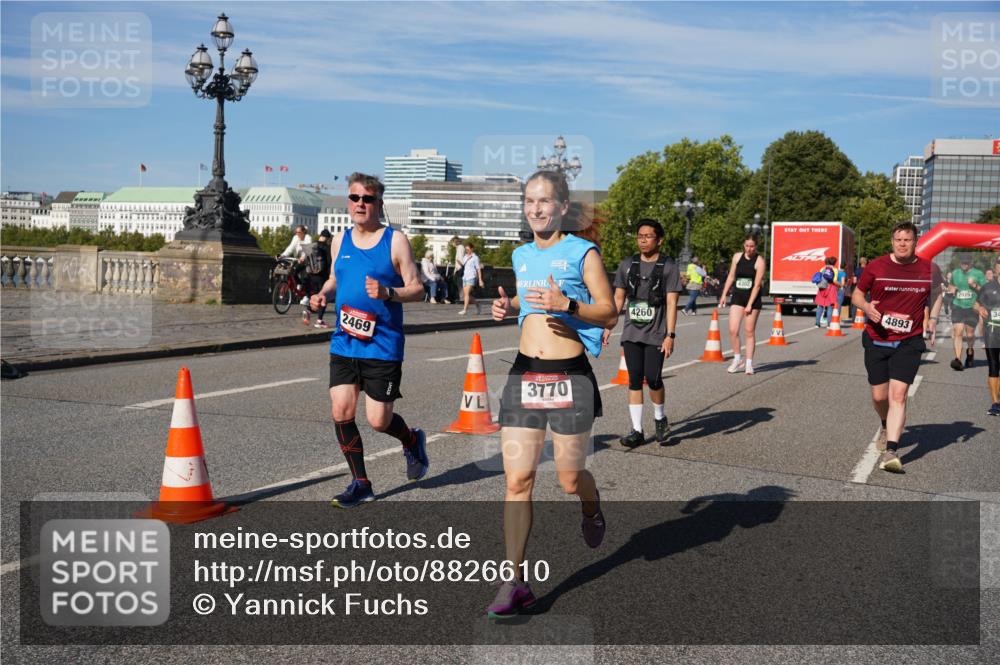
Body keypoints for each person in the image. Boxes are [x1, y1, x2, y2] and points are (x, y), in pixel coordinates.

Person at [488, 170, 617, 618]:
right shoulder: (521, 254)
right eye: (529, 201)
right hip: (525, 374)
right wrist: (510, 308)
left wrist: (570, 306)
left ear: (562, 206)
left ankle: (590, 501)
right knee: (517, 481)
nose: (536, 209)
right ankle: (514, 582)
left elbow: (609, 313)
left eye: (544, 201)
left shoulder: (583, 252)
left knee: (566, 480)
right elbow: (529, 302)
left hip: (569, 375)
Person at [310, 173, 430, 507]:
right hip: (344, 341)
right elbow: (335, 277)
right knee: (341, 411)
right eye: (354, 198)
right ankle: (361, 483)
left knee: (378, 420)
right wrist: (321, 294)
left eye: (368, 199)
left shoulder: (395, 241)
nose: (360, 204)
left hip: (383, 345)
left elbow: (418, 288)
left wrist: (389, 292)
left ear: (379, 203)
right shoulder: (339, 240)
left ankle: (411, 440)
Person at [851, 221, 942, 473]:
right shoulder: (876, 266)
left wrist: (932, 319)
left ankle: (892, 450)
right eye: (898, 239)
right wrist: (867, 308)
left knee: (898, 396)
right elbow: (857, 295)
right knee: (879, 397)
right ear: (892, 241)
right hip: (877, 339)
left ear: (916, 242)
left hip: (909, 341)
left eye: (908, 239)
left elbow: (937, 293)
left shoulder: (929, 269)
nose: (903, 244)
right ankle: (884, 422)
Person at [604, 219, 682, 447]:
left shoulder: (669, 267)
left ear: (659, 240)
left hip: (656, 333)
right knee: (635, 379)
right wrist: (609, 326)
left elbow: (672, 302)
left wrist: (671, 335)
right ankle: (637, 430)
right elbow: (618, 299)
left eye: (648, 236)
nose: (643, 240)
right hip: (631, 332)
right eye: (640, 236)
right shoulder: (627, 265)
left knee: (654, 378)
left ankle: (660, 419)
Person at [718, 234, 767, 375]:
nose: (749, 249)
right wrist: (724, 295)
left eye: (752, 246)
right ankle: (737, 359)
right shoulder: (737, 257)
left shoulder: (759, 261)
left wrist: (750, 304)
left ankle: (749, 363)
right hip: (738, 297)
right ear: (743, 245)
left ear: (756, 246)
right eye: (747, 246)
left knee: (749, 331)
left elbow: (757, 285)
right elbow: (731, 276)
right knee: (733, 330)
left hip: (752, 299)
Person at [948, 253, 987, 371]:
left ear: (971, 263)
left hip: (972, 306)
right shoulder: (955, 273)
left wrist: (974, 285)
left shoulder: (978, 274)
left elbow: (986, 290)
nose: (964, 264)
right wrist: (952, 288)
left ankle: (970, 351)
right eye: (962, 262)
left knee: (969, 334)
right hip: (958, 305)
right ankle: (958, 360)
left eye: (966, 262)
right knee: (958, 332)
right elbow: (951, 285)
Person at [975, 256, 1000, 415]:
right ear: (997, 267)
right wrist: (980, 309)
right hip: (992, 329)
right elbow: (976, 303)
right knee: (994, 366)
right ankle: (995, 402)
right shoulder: (988, 287)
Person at [302, 229, 332, 328]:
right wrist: (330, 278)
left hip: (311, 276)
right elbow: (329, 264)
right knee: (323, 298)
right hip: (322, 277)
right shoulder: (327, 248)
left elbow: (306, 261)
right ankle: (319, 321)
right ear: (327, 238)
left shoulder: (313, 246)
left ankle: (307, 313)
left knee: (314, 297)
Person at [279, 225, 313, 303]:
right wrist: (282, 255)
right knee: (292, 271)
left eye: (299, 232)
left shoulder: (308, 238)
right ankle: (298, 285)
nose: (297, 234)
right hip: (297, 260)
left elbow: (307, 250)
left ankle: (307, 296)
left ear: (304, 232)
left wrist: (303, 258)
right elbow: (290, 248)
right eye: (296, 232)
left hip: (307, 260)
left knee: (305, 276)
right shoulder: (295, 238)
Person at [813, 256, 841, 327]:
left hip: (822, 288)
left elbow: (819, 278)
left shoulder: (823, 268)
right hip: (831, 288)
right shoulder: (835, 269)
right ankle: (829, 324)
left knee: (820, 306)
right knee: (830, 306)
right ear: (835, 262)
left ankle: (817, 323)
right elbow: (834, 280)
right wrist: (840, 285)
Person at [459, 242, 483, 315]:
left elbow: (478, 269)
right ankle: (478, 304)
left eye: (468, 249)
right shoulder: (465, 256)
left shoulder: (475, 258)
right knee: (466, 295)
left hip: (471, 276)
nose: (467, 251)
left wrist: (480, 280)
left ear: (472, 249)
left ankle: (465, 310)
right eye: (466, 250)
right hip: (465, 277)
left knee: (466, 294)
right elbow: (464, 265)